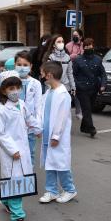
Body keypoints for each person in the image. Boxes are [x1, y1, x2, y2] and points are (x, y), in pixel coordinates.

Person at [0, 72, 42, 221]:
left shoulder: (21, 104)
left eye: (17, 87)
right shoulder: (1, 110)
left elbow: (29, 119)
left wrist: (38, 129)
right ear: (3, 90)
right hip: (12, 152)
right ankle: (18, 216)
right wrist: (12, 149)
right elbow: (0, 133)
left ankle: (6, 201)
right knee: (16, 182)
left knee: (17, 180)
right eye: (11, 88)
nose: (15, 91)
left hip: (23, 150)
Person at [38, 61, 78, 204]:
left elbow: (61, 118)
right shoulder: (48, 92)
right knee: (50, 164)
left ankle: (70, 189)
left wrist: (56, 136)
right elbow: (42, 113)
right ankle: (52, 191)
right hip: (46, 135)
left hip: (57, 137)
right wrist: (38, 128)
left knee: (61, 164)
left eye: (42, 74)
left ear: (49, 75)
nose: (41, 77)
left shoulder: (63, 94)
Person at [72, 38, 106, 137]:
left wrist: (103, 85)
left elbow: (103, 74)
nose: (88, 47)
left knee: (89, 109)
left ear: (93, 46)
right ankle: (91, 129)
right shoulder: (78, 60)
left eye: (90, 45)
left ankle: (84, 127)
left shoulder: (98, 59)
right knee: (86, 109)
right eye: (86, 46)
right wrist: (77, 85)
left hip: (94, 88)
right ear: (83, 47)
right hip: (82, 89)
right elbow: (73, 74)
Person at [15, 51, 42, 168]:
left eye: (25, 65)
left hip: (29, 126)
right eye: (19, 64)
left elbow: (38, 106)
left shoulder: (35, 83)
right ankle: (16, 178)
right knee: (15, 154)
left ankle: (28, 178)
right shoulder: (10, 81)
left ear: (31, 66)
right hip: (13, 126)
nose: (22, 67)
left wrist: (38, 126)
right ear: (15, 65)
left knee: (30, 153)